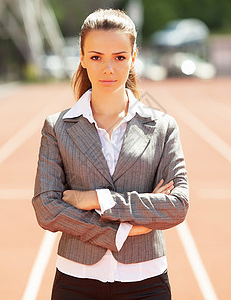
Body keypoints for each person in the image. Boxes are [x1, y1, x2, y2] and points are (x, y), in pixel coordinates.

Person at [32, 8, 189, 300]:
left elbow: (177, 205)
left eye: (119, 57)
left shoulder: (162, 127)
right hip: (76, 280)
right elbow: (47, 208)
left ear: (133, 57)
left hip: (146, 280)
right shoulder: (57, 128)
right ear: (81, 58)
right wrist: (124, 231)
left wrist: (97, 199)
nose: (108, 68)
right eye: (96, 57)